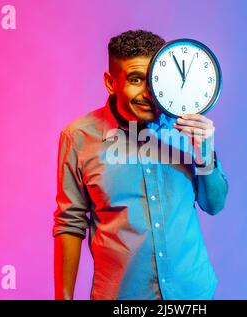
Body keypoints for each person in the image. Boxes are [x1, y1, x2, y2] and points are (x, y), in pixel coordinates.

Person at [53, 30, 228, 300]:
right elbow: (70, 223)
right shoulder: (78, 138)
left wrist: (205, 153)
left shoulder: (186, 128)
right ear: (111, 83)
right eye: (136, 80)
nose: (148, 94)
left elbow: (214, 204)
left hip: (193, 294)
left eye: (155, 82)